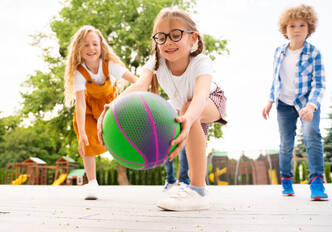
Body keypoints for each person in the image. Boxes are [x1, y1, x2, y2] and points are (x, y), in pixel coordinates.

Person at [98, 8, 227, 211]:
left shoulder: (201, 62)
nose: (167, 42)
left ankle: (198, 190)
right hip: (185, 109)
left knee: (187, 110)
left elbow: (201, 97)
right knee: (184, 115)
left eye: (175, 35)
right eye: (161, 37)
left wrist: (188, 117)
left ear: (193, 38)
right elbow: (139, 86)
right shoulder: (157, 63)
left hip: (213, 100)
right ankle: (194, 187)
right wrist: (109, 109)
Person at [262, 5, 328, 200]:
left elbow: (319, 83)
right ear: (285, 30)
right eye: (292, 26)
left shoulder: (314, 53)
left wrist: (311, 105)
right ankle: (286, 180)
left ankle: (316, 180)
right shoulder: (279, 52)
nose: (297, 29)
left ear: (309, 29)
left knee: (311, 135)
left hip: (307, 103)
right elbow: (276, 79)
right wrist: (270, 100)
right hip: (283, 104)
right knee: (285, 144)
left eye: (301, 25)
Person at [64, 25, 137, 200]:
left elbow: (136, 81)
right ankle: (92, 183)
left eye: (95, 44)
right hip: (88, 111)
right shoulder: (79, 72)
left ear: (101, 46)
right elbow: (80, 104)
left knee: (119, 141)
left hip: (110, 107)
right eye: (86, 45)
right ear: (78, 49)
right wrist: (81, 133)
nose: (91, 48)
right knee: (87, 144)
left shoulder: (109, 65)